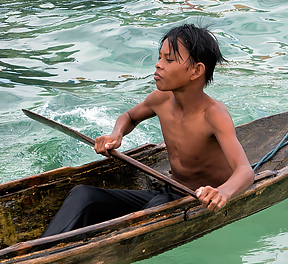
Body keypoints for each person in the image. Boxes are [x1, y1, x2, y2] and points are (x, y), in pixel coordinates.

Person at [40, 24, 254, 237]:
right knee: (83, 195)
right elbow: (129, 117)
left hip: (197, 199)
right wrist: (116, 135)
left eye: (169, 60)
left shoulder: (214, 114)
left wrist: (222, 193)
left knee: (153, 209)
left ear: (196, 71)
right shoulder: (160, 99)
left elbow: (245, 172)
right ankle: (43, 250)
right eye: (160, 57)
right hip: (170, 191)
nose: (158, 65)